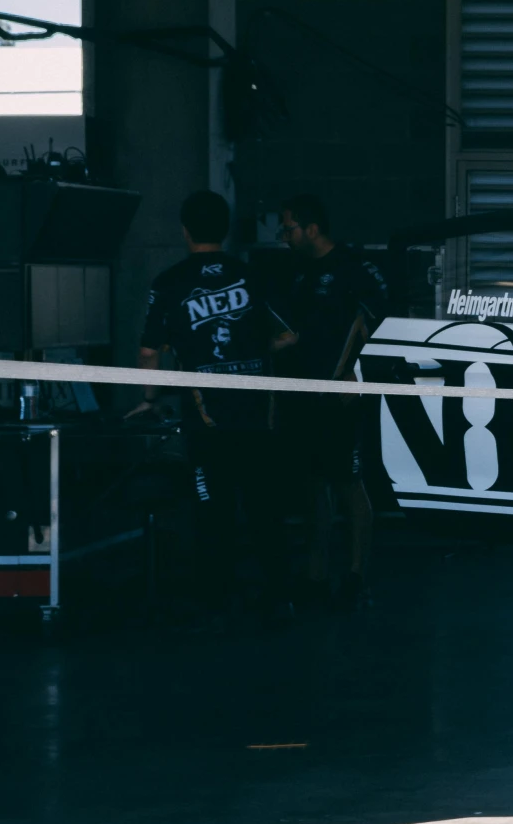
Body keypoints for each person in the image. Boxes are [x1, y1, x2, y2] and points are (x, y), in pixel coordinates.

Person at [131, 190, 294, 623]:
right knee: (264, 510)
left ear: (184, 230)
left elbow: (150, 352)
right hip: (260, 416)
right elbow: (287, 335)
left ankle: (217, 602)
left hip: (208, 422)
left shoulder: (169, 282)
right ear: (224, 229)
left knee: (212, 511)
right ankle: (281, 598)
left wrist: (149, 400)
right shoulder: (253, 275)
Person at [276, 192, 388, 609]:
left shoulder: (355, 269)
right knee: (311, 485)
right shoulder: (297, 273)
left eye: (289, 228)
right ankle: (316, 574)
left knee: (348, 482)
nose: (284, 237)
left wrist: (352, 377)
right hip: (303, 396)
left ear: (312, 228)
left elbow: (376, 328)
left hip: (342, 397)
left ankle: (357, 576)